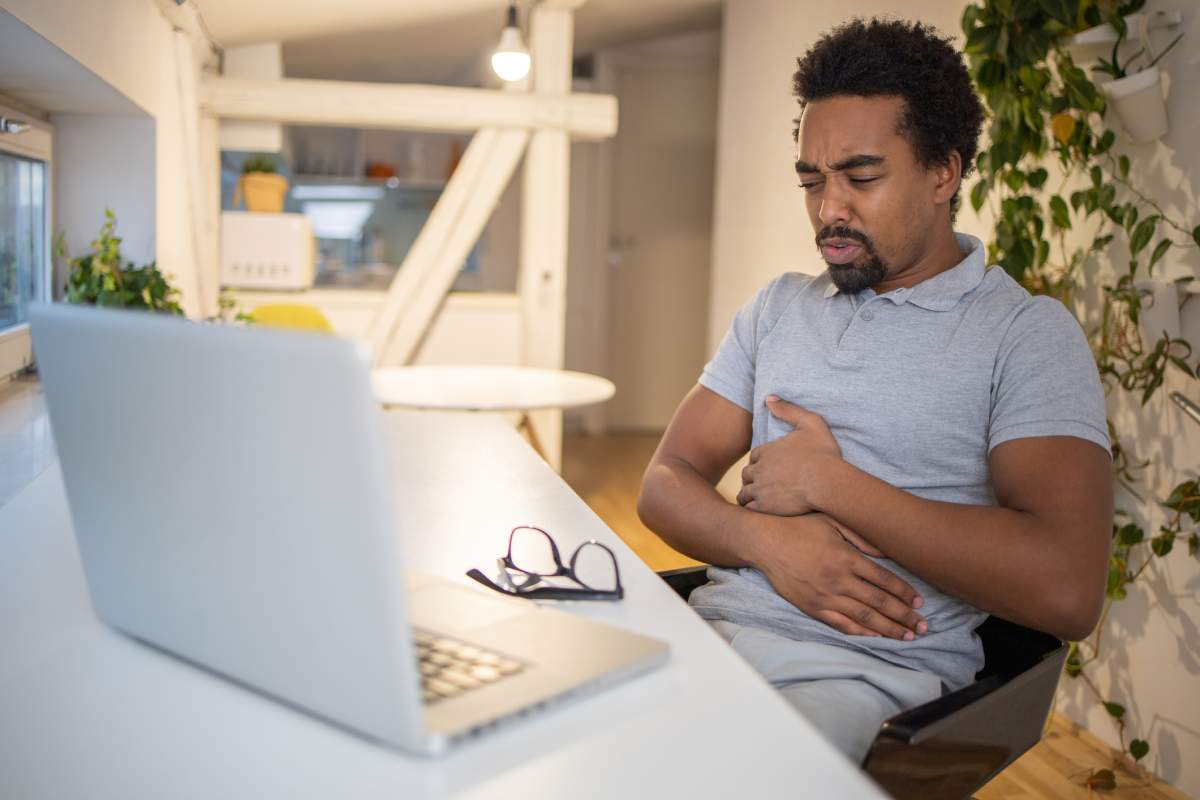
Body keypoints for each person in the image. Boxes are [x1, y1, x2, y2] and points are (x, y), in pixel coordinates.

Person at [637, 17, 1113, 763]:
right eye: (811, 180)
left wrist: (834, 484)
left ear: (943, 173)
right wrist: (770, 543)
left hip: (857, 680)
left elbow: (1067, 588)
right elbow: (663, 483)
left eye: (861, 178)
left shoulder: (1023, 335)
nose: (829, 209)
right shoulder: (778, 308)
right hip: (707, 640)